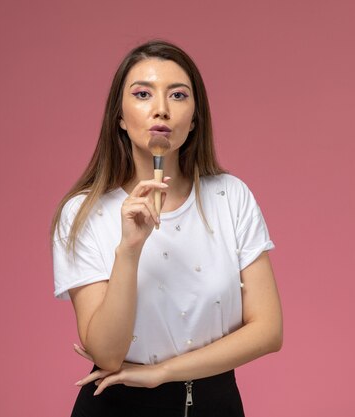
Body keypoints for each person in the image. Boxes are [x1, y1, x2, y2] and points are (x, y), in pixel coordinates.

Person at [51, 40, 283, 417]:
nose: (161, 108)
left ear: (194, 120)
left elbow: (269, 331)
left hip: (216, 403)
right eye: (142, 94)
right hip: (118, 405)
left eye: (178, 95)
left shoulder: (230, 197)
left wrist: (163, 372)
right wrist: (129, 249)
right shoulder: (83, 213)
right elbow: (108, 354)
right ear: (120, 117)